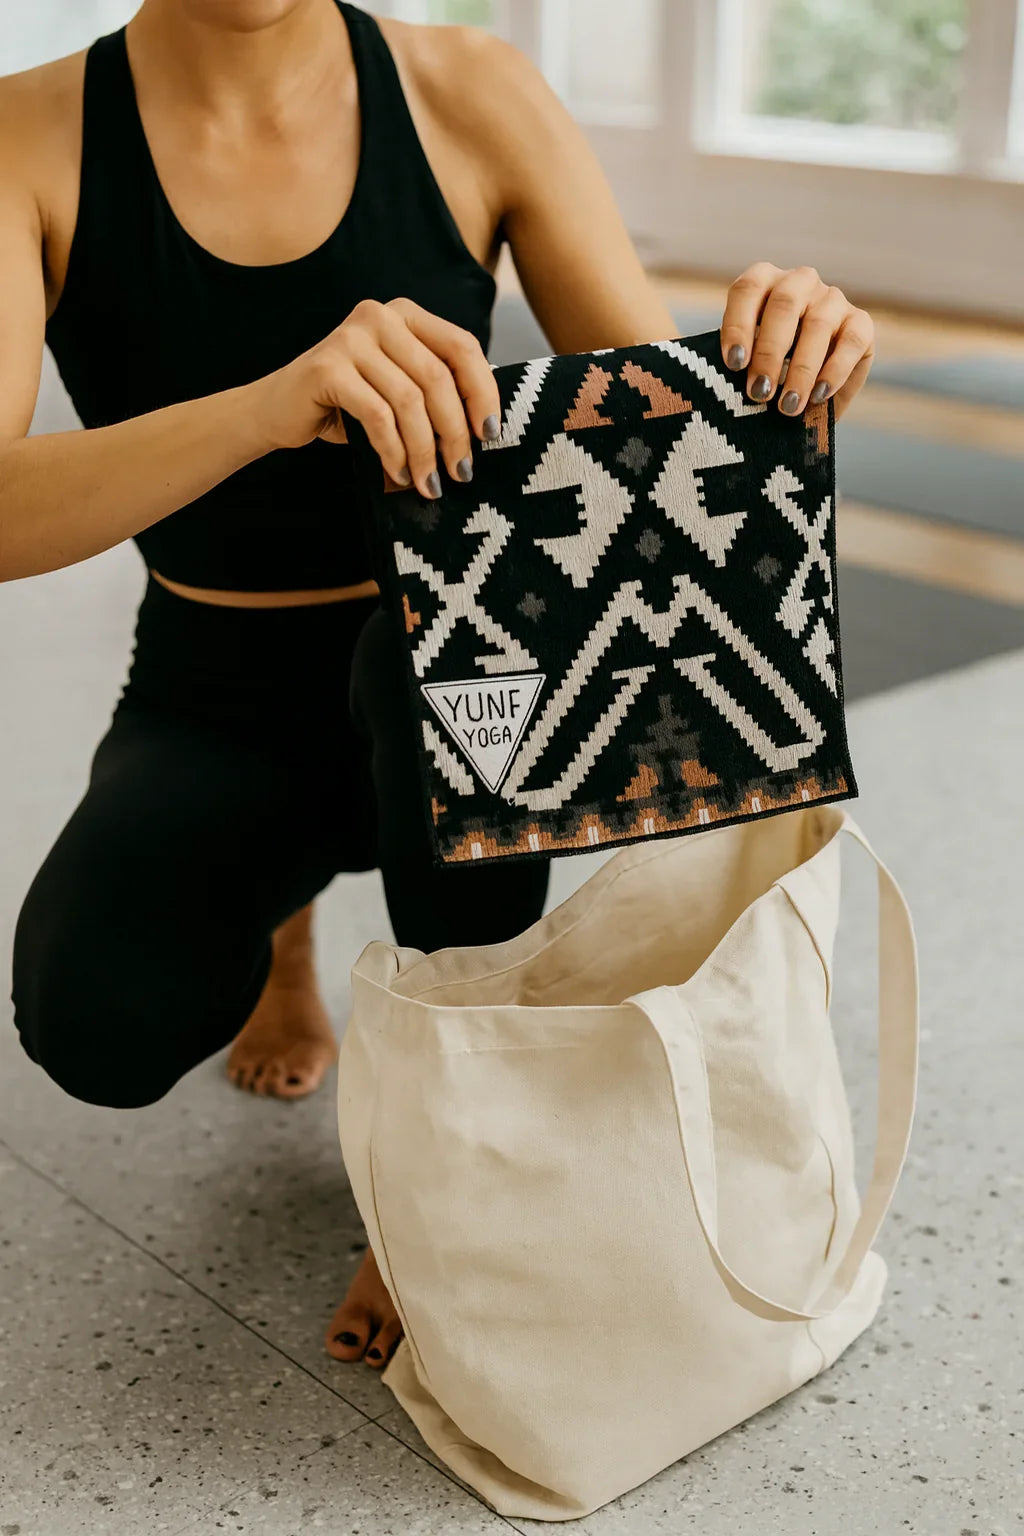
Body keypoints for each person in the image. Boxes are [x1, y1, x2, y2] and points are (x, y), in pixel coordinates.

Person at [0, 0, 876, 1374]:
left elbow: (647, 442)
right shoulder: (29, 134)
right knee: (93, 1020)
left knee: (416, 669)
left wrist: (783, 353)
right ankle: (284, 938)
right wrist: (275, 400)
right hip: (211, 682)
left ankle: (438, 1158)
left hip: (460, 682)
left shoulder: (471, 88)